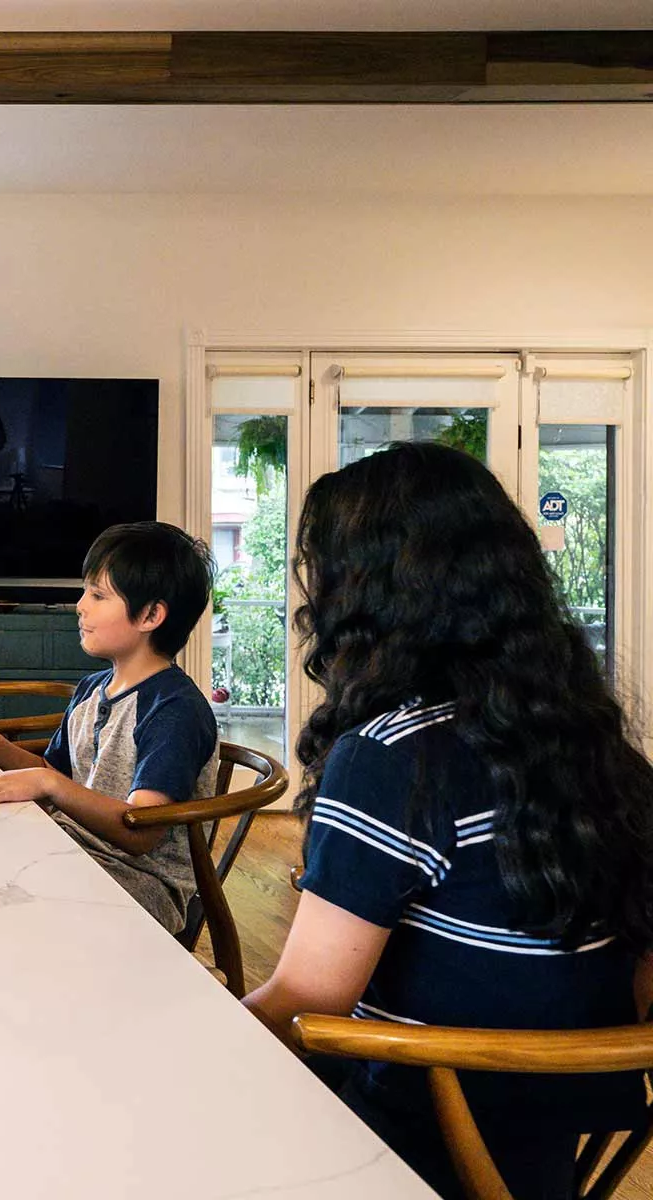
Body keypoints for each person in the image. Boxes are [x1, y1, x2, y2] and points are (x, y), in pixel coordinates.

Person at [242, 443, 653, 1200]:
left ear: (368, 593)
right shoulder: (587, 739)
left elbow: (308, 999)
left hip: (415, 1141)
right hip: (543, 1142)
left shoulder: (397, 756)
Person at [0, 522, 219, 931]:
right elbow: (57, 775)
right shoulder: (93, 689)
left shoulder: (174, 709)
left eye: (98, 595)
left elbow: (140, 833)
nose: (80, 605)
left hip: (140, 886)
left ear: (150, 615)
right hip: (72, 851)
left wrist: (50, 785)